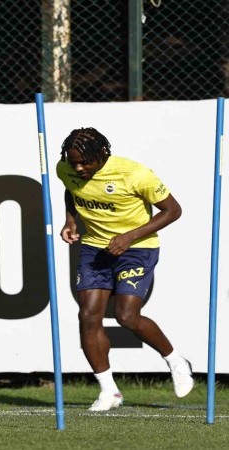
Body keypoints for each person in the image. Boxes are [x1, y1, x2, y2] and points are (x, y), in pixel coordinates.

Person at [56, 127, 194, 411]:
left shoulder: (135, 174)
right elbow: (72, 191)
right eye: (74, 163)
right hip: (95, 247)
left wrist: (129, 237)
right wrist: (70, 221)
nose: (79, 168)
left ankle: (176, 361)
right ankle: (109, 391)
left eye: (85, 162)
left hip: (137, 248)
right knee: (88, 316)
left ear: (102, 154)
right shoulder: (65, 169)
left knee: (126, 316)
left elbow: (173, 210)